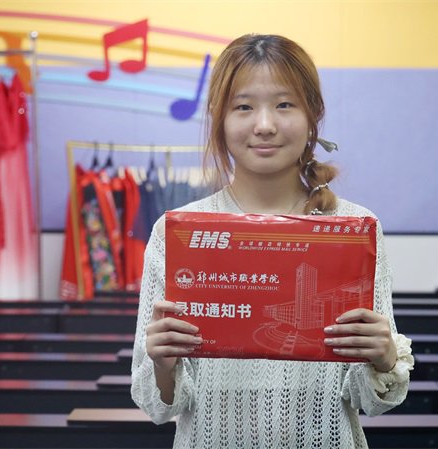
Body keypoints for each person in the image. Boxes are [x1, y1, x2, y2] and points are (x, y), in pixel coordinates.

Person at [131, 34, 414, 448]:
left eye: (284, 104)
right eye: (243, 107)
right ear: (219, 118)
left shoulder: (354, 229)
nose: (264, 125)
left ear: (313, 114)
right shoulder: (177, 233)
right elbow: (158, 407)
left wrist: (384, 357)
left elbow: (371, 402)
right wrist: (161, 363)